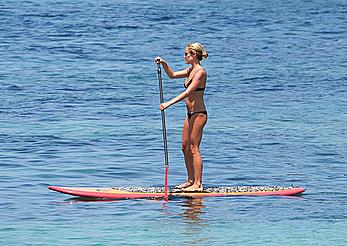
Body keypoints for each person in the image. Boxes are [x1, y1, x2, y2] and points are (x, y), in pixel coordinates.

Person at [155, 42, 208, 192]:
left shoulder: (200, 72)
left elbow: (188, 92)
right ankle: (190, 180)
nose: (184, 56)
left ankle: (198, 184)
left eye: (186, 54)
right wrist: (164, 63)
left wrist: (168, 104)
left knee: (194, 148)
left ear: (194, 55)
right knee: (185, 147)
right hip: (189, 114)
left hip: (199, 114)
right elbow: (172, 75)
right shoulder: (190, 70)